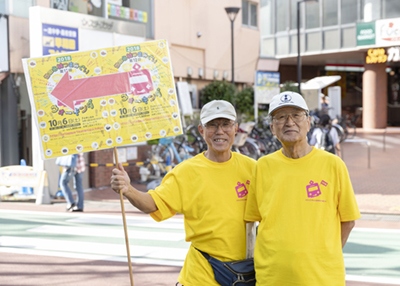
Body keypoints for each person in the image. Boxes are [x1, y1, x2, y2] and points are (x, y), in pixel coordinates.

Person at [111, 100, 256, 285]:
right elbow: (153, 203)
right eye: (212, 125)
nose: (220, 131)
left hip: (245, 275)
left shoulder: (253, 169)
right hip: (200, 276)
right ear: (201, 130)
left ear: (236, 128)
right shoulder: (185, 172)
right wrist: (128, 189)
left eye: (226, 124)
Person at [244, 91, 361, 286]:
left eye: (296, 115)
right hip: (271, 278)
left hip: (322, 278)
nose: (289, 122)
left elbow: (348, 221)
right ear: (272, 127)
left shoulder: (333, 164)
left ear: (308, 122)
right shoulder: (262, 166)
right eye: (281, 117)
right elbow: (252, 222)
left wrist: (323, 256)